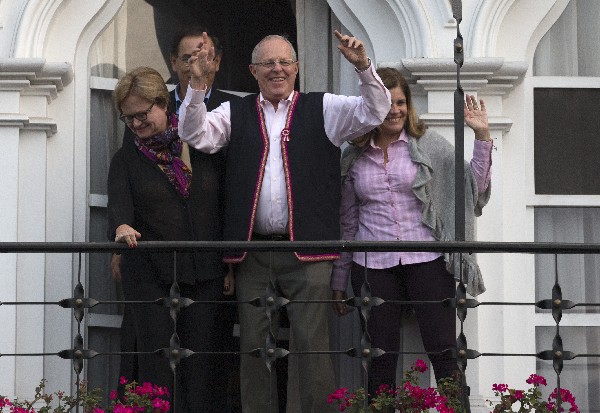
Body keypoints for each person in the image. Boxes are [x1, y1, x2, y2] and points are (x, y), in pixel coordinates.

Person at [178, 31, 391, 413]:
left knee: (311, 347)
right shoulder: (235, 112)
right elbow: (194, 133)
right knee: (255, 349)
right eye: (268, 63)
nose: (277, 69)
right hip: (253, 251)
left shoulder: (323, 107)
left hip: (308, 251)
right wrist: (196, 84)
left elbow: (374, 112)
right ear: (253, 71)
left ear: (296, 67)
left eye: (284, 62)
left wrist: (363, 68)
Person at [330, 67, 492, 406]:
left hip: (427, 262)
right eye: (386, 102)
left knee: (444, 352)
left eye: (401, 102)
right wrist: (340, 277)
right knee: (380, 358)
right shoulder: (352, 155)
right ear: (370, 105)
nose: (395, 110)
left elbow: (469, 186)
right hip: (372, 265)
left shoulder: (428, 144)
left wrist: (481, 137)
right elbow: (347, 221)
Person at [107, 66, 228, 412]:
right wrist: (121, 229)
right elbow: (119, 207)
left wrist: (232, 262)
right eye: (127, 118)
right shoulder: (126, 159)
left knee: (202, 366)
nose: (136, 124)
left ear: (163, 104)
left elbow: (223, 204)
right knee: (156, 369)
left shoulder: (201, 143)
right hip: (151, 276)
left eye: (142, 114)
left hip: (206, 273)